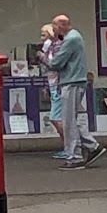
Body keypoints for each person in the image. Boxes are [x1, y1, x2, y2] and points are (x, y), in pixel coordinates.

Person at [50, 13, 104, 168]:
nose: (53, 29)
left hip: (72, 82)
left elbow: (56, 63)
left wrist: (43, 57)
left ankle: (75, 157)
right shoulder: (74, 37)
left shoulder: (71, 39)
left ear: (60, 26)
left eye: (54, 26)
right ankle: (93, 147)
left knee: (68, 122)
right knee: (71, 119)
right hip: (75, 81)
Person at [38, 22, 69, 159]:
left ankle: (72, 145)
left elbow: (54, 64)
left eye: (43, 34)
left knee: (55, 118)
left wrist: (41, 56)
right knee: (59, 118)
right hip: (53, 84)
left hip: (57, 85)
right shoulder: (51, 47)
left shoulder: (55, 46)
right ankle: (67, 147)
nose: (41, 38)